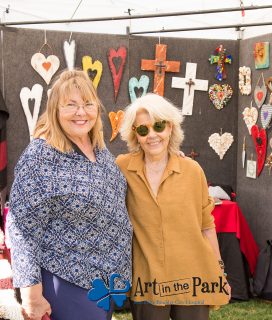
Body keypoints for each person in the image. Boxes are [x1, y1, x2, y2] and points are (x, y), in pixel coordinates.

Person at [7, 70, 132, 320]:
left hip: (105, 285)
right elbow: (21, 228)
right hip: (67, 283)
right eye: (71, 105)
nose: (81, 112)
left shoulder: (101, 152)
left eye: (87, 104)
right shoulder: (40, 156)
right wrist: (31, 294)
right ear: (55, 110)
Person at [116, 93, 231, 320]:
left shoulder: (192, 170)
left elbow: (207, 226)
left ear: (170, 128)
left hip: (193, 276)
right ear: (135, 135)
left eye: (159, 126)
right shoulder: (122, 168)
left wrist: (219, 272)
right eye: (143, 130)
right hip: (147, 280)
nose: (152, 135)